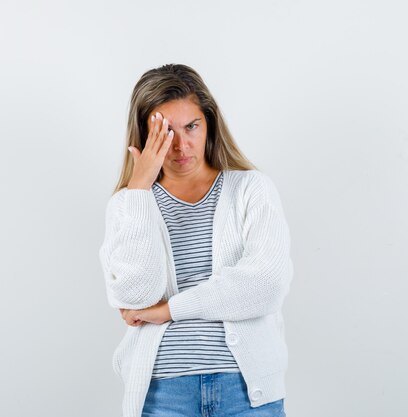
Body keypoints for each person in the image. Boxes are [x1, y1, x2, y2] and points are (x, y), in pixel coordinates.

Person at [99, 63, 293, 417]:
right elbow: (135, 298)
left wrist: (170, 310)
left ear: (209, 124)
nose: (182, 145)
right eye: (165, 132)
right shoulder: (128, 206)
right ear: (143, 135)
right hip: (162, 395)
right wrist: (139, 191)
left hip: (246, 392)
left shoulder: (251, 189)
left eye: (191, 126)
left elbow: (266, 285)